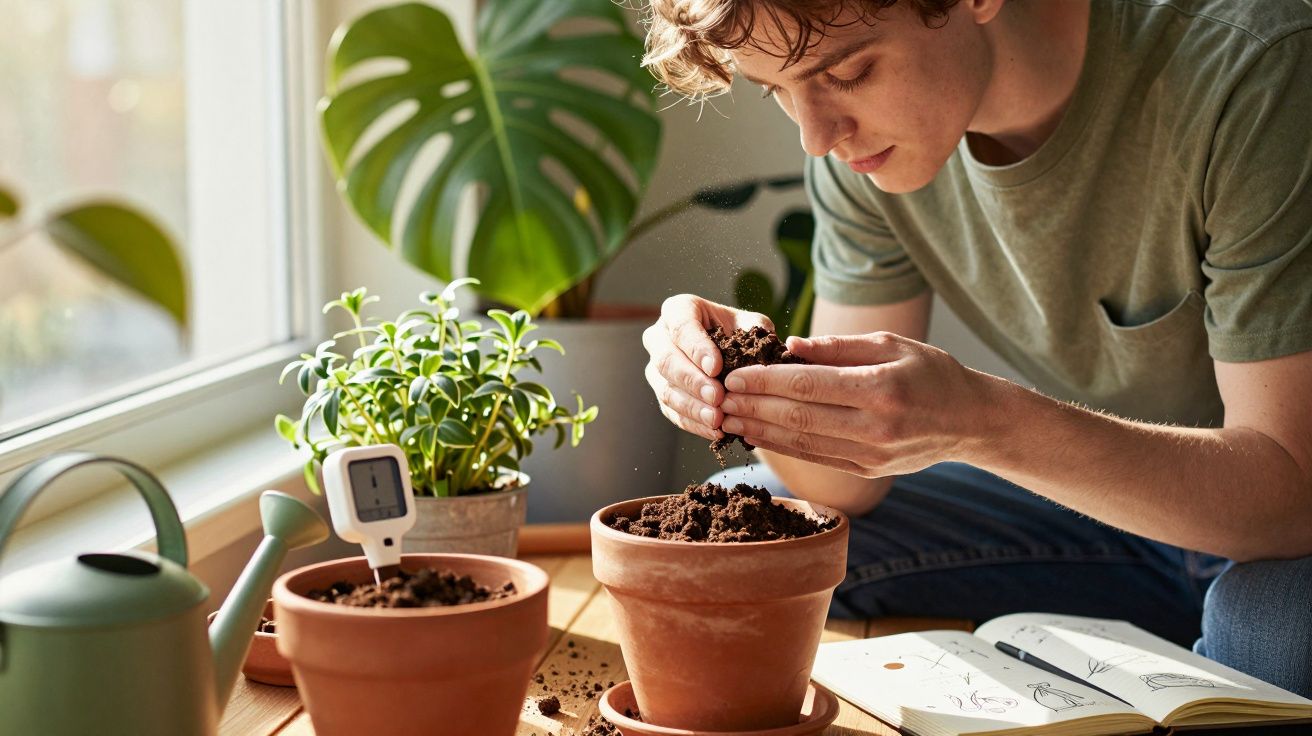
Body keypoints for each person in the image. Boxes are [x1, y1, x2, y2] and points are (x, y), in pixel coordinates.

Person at [637, 0, 1312, 697]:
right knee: (752, 522)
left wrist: (982, 422)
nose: (815, 136)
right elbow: (846, 483)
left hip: (1280, 522)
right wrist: (739, 379)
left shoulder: (1249, 69)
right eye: (777, 90)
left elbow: (1291, 499)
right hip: (1123, 522)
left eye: (850, 71)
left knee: (1276, 632)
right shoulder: (861, 150)